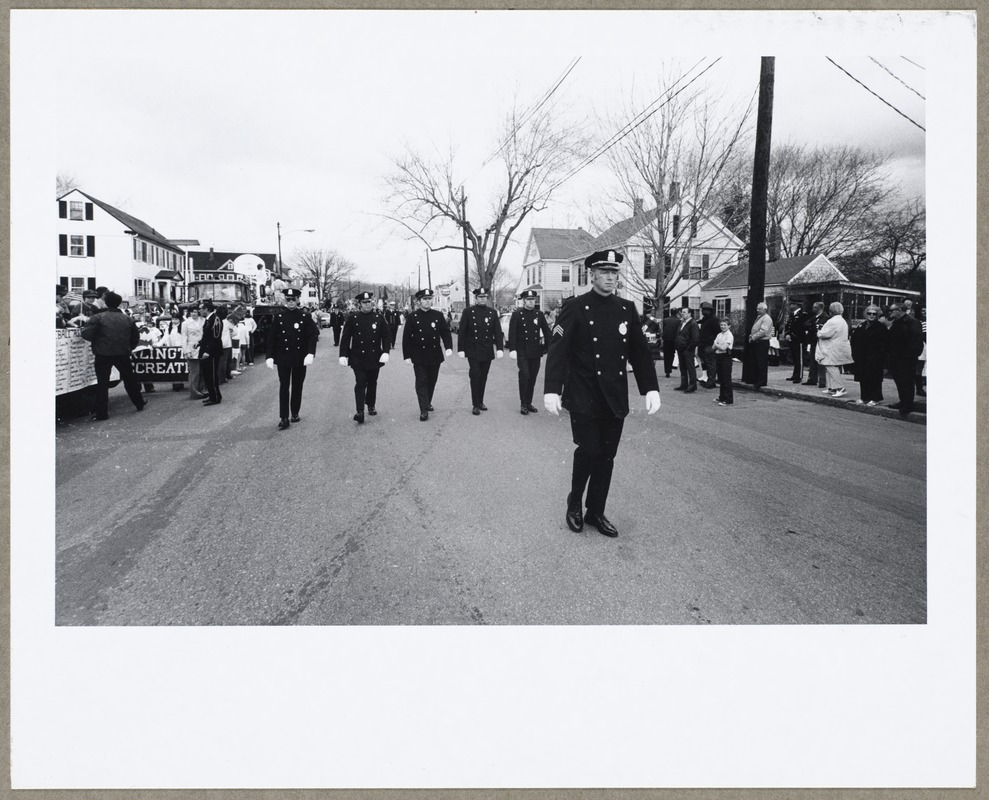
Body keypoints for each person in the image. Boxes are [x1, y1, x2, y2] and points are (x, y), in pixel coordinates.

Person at [544, 250, 660, 539]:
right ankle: (574, 505)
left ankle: (595, 510)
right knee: (589, 450)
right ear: (592, 275)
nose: (610, 277)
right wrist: (551, 390)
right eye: (604, 272)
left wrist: (651, 388)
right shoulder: (576, 307)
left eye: (614, 273)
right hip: (584, 393)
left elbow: (639, 352)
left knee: (607, 456)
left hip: (614, 395)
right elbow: (558, 349)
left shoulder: (626, 309)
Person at [79, 291, 146, 420]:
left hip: (103, 354)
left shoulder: (98, 317)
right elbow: (135, 337)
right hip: (122, 353)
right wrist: (128, 348)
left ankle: (102, 413)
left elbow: (87, 335)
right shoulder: (128, 318)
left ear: (105, 302)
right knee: (129, 379)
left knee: (102, 383)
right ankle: (139, 402)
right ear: (119, 303)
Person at [266, 287, 319, 429]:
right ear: (285, 300)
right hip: (283, 357)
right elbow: (271, 338)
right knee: (284, 386)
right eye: (288, 299)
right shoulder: (279, 317)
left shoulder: (304, 316)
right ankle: (283, 417)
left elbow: (313, 335)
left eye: (293, 300)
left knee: (297, 386)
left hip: (300, 357)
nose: (290, 302)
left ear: (297, 300)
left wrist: (310, 353)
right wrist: (269, 356)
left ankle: (294, 412)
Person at [339, 291, 392, 423]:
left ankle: (371, 405)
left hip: (374, 356)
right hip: (358, 357)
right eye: (364, 302)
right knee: (361, 381)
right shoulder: (353, 318)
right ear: (359, 304)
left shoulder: (379, 317)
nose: (367, 305)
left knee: (372, 382)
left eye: (369, 302)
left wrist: (386, 352)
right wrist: (343, 354)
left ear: (372, 303)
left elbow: (386, 336)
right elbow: (345, 337)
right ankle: (360, 411)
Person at [402, 288, 453, 422]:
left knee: (432, 381)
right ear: (419, 301)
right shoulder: (413, 317)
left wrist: (448, 347)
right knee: (421, 382)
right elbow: (406, 338)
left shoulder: (437, 315)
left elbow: (445, 333)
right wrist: (406, 355)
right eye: (424, 299)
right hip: (418, 355)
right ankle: (423, 409)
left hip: (434, 355)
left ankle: (427, 401)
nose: (427, 301)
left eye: (429, 299)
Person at [457, 287, 505, 415]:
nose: (483, 299)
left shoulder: (492, 313)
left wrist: (500, 348)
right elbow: (462, 332)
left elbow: (498, 332)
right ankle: (475, 404)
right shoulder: (468, 312)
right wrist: (460, 349)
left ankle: (480, 401)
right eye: (480, 297)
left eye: (485, 297)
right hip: (473, 350)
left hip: (487, 349)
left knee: (483, 377)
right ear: (476, 298)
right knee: (475, 375)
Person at [508, 289, 553, 415]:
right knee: (525, 375)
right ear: (523, 301)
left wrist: (551, 348)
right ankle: (523, 404)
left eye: (533, 299)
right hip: (522, 351)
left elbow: (547, 332)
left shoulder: (539, 314)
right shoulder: (517, 314)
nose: (531, 302)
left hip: (535, 351)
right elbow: (512, 333)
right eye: (528, 299)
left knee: (532, 377)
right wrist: (513, 349)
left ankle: (529, 403)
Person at [886, 302, 925, 415]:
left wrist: (910, 356)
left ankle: (908, 404)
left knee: (907, 381)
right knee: (899, 380)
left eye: (893, 310)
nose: (891, 312)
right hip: (896, 357)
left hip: (907, 358)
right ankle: (902, 400)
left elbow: (917, 341)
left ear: (900, 310)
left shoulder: (912, 322)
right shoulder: (896, 323)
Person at [850, 304, 888, 406]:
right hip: (862, 358)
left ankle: (875, 398)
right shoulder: (861, 325)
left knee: (874, 379)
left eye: (874, 314)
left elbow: (884, 345)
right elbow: (854, 339)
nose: (871, 315)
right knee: (863, 378)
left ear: (877, 315)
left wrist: (879, 357)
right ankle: (864, 397)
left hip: (875, 358)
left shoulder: (881, 327)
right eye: (869, 313)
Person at [815, 301, 853, 398]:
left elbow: (825, 334)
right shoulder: (842, 320)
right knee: (831, 367)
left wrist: (819, 332)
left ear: (831, 311)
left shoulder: (833, 321)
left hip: (831, 348)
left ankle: (840, 388)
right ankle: (832, 387)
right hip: (838, 347)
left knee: (831, 367)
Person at [198, 304, 227, 406]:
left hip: (212, 352)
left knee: (212, 375)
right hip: (206, 350)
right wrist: (199, 343)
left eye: (200, 309)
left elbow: (215, 338)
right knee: (207, 375)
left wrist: (208, 351)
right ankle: (212, 395)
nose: (199, 311)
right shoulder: (208, 319)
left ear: (206, 309)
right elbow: (207, 336)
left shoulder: (215, 319)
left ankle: (215, 398)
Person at [747, 302, 774, 389]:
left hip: (762, 342)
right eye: (757, 308)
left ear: (765, 309)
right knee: (756, 361)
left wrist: (753, 337)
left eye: (760, 309)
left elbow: (763, 331)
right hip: (757, 342)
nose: (757, 310)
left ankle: (762, 381)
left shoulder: (767, 319)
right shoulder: (760, 317)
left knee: (761, 362)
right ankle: (756, 379)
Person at [182, 305, 208, 399]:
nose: (194, 314)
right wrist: (186, 351)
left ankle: (202, 389)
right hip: (192, 349)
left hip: (202, 349)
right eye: (192, 312)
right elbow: (184, 338)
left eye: (196, 312)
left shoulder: (204, 320)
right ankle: (194, 392)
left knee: (203, 371)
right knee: (194, 372)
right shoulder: (185, 323)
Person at [673, 307, 699, 393]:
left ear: (689, 314)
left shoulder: (693, 324)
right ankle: (684, 384)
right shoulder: (682, 323)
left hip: (687, 349)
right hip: (681, 348)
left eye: (684, 312)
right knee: (683, 367)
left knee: (690, 368)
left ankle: (692, 385)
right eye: (682, 312)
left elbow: (695, 338)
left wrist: (689, 348)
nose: (682, 313)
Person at [803, 302, 829, 387]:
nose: (812, 309)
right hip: (813, 342)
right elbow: (806, 324)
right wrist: (812, 327)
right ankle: (812, 379)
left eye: (814, 307)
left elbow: (819, 328)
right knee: (812, 361)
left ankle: (822, 381)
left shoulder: (825, 317)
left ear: (819, 308)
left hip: (820, 342)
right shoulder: (814, 317)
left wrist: (812, 327)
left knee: (820, 361)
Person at [697, 302, 721, 388]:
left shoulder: (713, 319)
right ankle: (707, 378)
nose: (702, 311)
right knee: (706, 362)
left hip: (709, 344)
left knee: (710, 363)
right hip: (704, 343)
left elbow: (718, 332)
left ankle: (711, 381)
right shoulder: (706, 318)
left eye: (704, 310)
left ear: (709, 310)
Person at [713, 318, 735, 406]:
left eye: (725, 325)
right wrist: (718, 345)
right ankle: (722, 397)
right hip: (718, 356)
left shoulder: (729, 335)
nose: (722, 326)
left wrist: (717, 345)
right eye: (721, 325)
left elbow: (723, 348)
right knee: (721, 378)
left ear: (729, 326)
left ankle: (728, 399)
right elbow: (713, 347)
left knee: (726, 378)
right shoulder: (719, 334)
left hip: (726, 357)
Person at [784, 301, 806, 382]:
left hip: (798, 339)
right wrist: (787, 334)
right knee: (795, 358)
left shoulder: (802, 315)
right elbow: (788, 326)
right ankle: (795, 374)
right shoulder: (792, 314)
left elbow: (800, 328)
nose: (790, 305)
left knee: (799, 358)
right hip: (792, 339)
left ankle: (799, 376)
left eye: (792, 304)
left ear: (797, 305)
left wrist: (792, 335)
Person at [660, 312, 680, 379]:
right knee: (672, 354)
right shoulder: (679, 321)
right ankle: (670, 367)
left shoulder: (665, 320)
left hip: (666, 340)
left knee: (666, 355)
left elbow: (663, 330)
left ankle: (667, 370)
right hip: (674, 340)